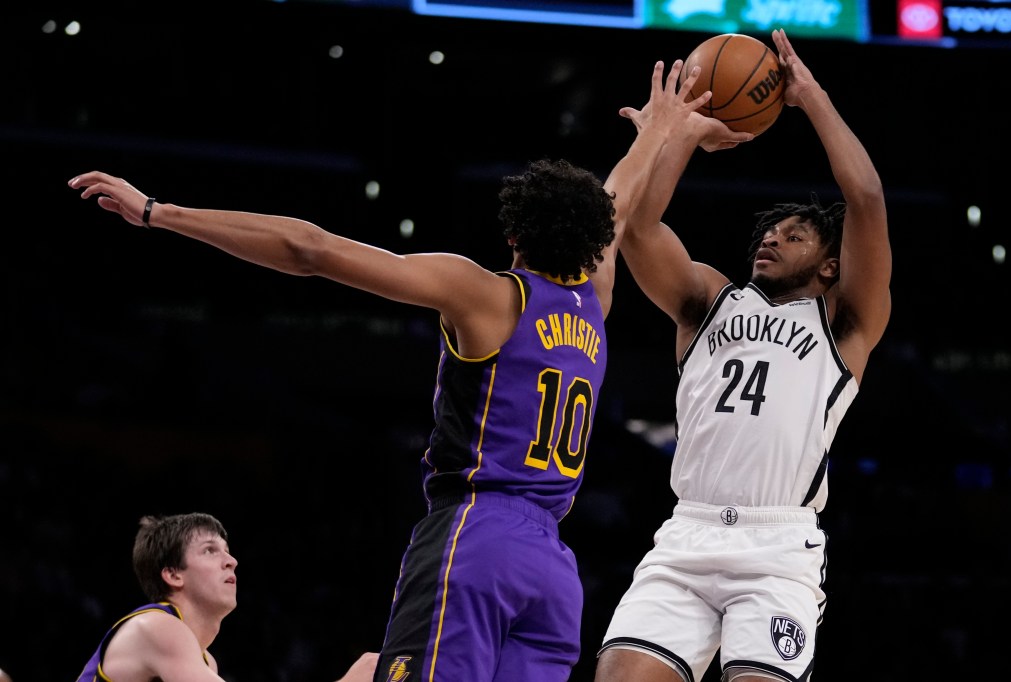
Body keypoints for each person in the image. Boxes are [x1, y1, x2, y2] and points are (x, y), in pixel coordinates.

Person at [68, 63, 749, 682]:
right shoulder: (593, 306)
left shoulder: (486, 294)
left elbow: (310, 249)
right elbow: (619, 201)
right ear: (594, 241)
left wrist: (161, 213)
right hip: (554, 573)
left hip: (477, 538)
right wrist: (667, 131)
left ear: (514, 237)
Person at [594, 29, 891, 682]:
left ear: (831, 265)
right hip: (686, 535)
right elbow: (639, 228)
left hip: (778, 544)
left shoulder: (844, 324)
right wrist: (683, 138)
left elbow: (866, 199)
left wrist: (809, 98)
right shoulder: (707, 299)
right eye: (767, 231)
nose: (771, 239)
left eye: (794, 235)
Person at [74, 513, 378, 682]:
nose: (231, 561)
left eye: (228, 551)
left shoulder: (205, 661)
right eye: (210, 550)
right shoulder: (156, 627)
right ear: (173, 575)